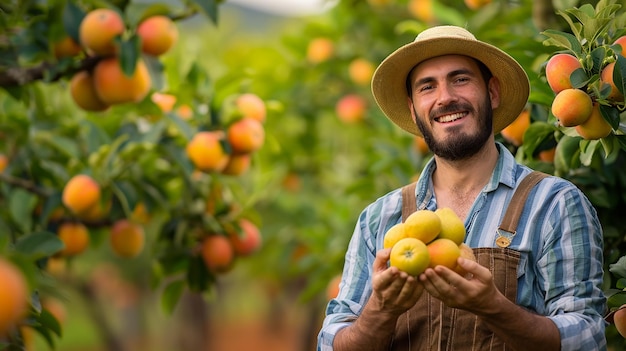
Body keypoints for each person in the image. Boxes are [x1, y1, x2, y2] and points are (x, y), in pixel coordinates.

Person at [317, 25, 606, 351]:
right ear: (414, 111)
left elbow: (587, 336)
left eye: (460, 79)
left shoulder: (554, 204)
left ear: (492, 92)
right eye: (427, 87)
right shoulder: (379, 219)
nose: (445, 97)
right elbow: (331, 342)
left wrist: (494, 308)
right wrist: (381, 309)